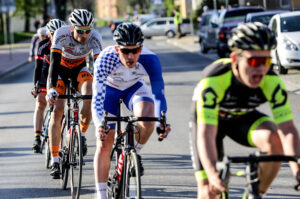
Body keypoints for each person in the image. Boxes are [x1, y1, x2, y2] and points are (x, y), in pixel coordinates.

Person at [190, 22, 300, 199]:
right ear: (235, 59)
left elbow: (287, 129)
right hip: (209, 124)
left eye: (267, 61)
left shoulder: (272, 81)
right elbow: (206, 134)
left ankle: (254, 194)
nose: (262, 69)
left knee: (276, 140)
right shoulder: (213, 80)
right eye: (255, 61)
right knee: (209, 190)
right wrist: (212, 175)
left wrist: (297, 169)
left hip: (240, 118)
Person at [92, 22, 171, 199]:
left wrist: (162, 121)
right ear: (116, 48)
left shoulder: (151, 59)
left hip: (134, 88)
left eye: (134, 50)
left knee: (148, 116)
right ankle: (101, 195)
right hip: (109, 92)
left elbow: (158, 93)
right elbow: (97, 97)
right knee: (104, 143)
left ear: (141, 48)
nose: (130, 56)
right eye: (124, 51)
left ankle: (132, 153)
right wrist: (99, 124)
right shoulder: (105, 59)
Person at [46, 9, 104, 179]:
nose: (85, 35)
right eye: (80, 31)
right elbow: (54, 64)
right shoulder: (61, 34)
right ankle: (55, 159)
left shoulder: (95, 37)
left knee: (89, 93)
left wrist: (103, 90)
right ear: (72, 28)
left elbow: (100, 67)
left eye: (88, 30)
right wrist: (51, 88)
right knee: (57, 111)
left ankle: (82, 134)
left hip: (79, 68)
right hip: (61, 71)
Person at [32, 19, 66, 153]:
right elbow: (37, 67)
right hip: (45, 73)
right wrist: (36, 86)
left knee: (62, 108)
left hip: (60, 75)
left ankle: (63, 142)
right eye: (53, 33)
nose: (56, 36)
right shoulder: (43, 45)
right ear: (48, 34)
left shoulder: (66, 44)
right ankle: (37, 137)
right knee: (40, 103)